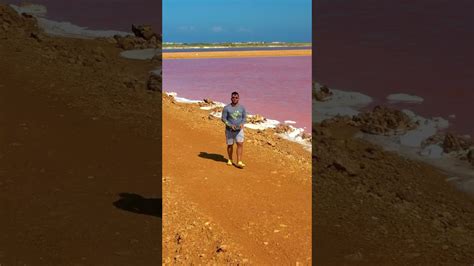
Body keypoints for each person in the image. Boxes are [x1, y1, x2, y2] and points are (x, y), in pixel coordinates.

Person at [221, 91, 247, 168]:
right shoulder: (226, 108)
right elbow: (223, 118)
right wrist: (230, 125)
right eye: (233, 97)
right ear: (231, 98)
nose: (235, 99)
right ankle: (230, 159)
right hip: (229, 130)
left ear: (238, 98)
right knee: (230, 145)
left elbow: (244, 118)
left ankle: (239, 161)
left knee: (240, 144)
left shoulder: (242, 108)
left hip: (239, 130)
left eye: (236, 97)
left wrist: (242, 124)